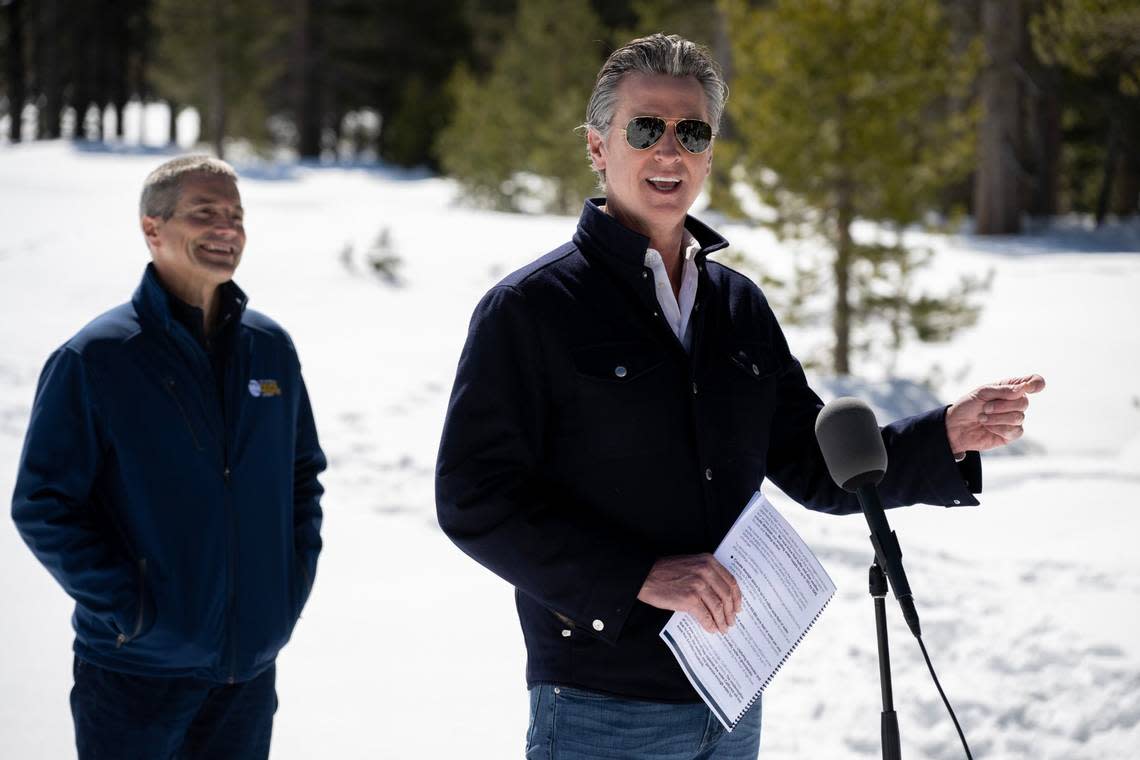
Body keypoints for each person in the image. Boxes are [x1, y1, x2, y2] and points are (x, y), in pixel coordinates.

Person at [435, 33, 1044, 759]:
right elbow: (475, 498)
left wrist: (946, 434)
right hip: (603, 704)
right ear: (599, 148)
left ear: (710, 152)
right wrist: (638, 578)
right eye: (645, 128)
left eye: (691, 131)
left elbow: (818, 466)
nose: (670, 151)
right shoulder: (530, 310)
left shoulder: (738, 307)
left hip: (732, 696)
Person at [11, 155, 326, 759]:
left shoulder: (270, 350)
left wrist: (286, 592)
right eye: (204, 212)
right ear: (151, 229)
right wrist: (133, 612)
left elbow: (300, 477)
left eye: (235, 214)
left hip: (247, 673)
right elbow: (43, 504)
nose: (226, 228)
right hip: (136, 676)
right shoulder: (97, 357)